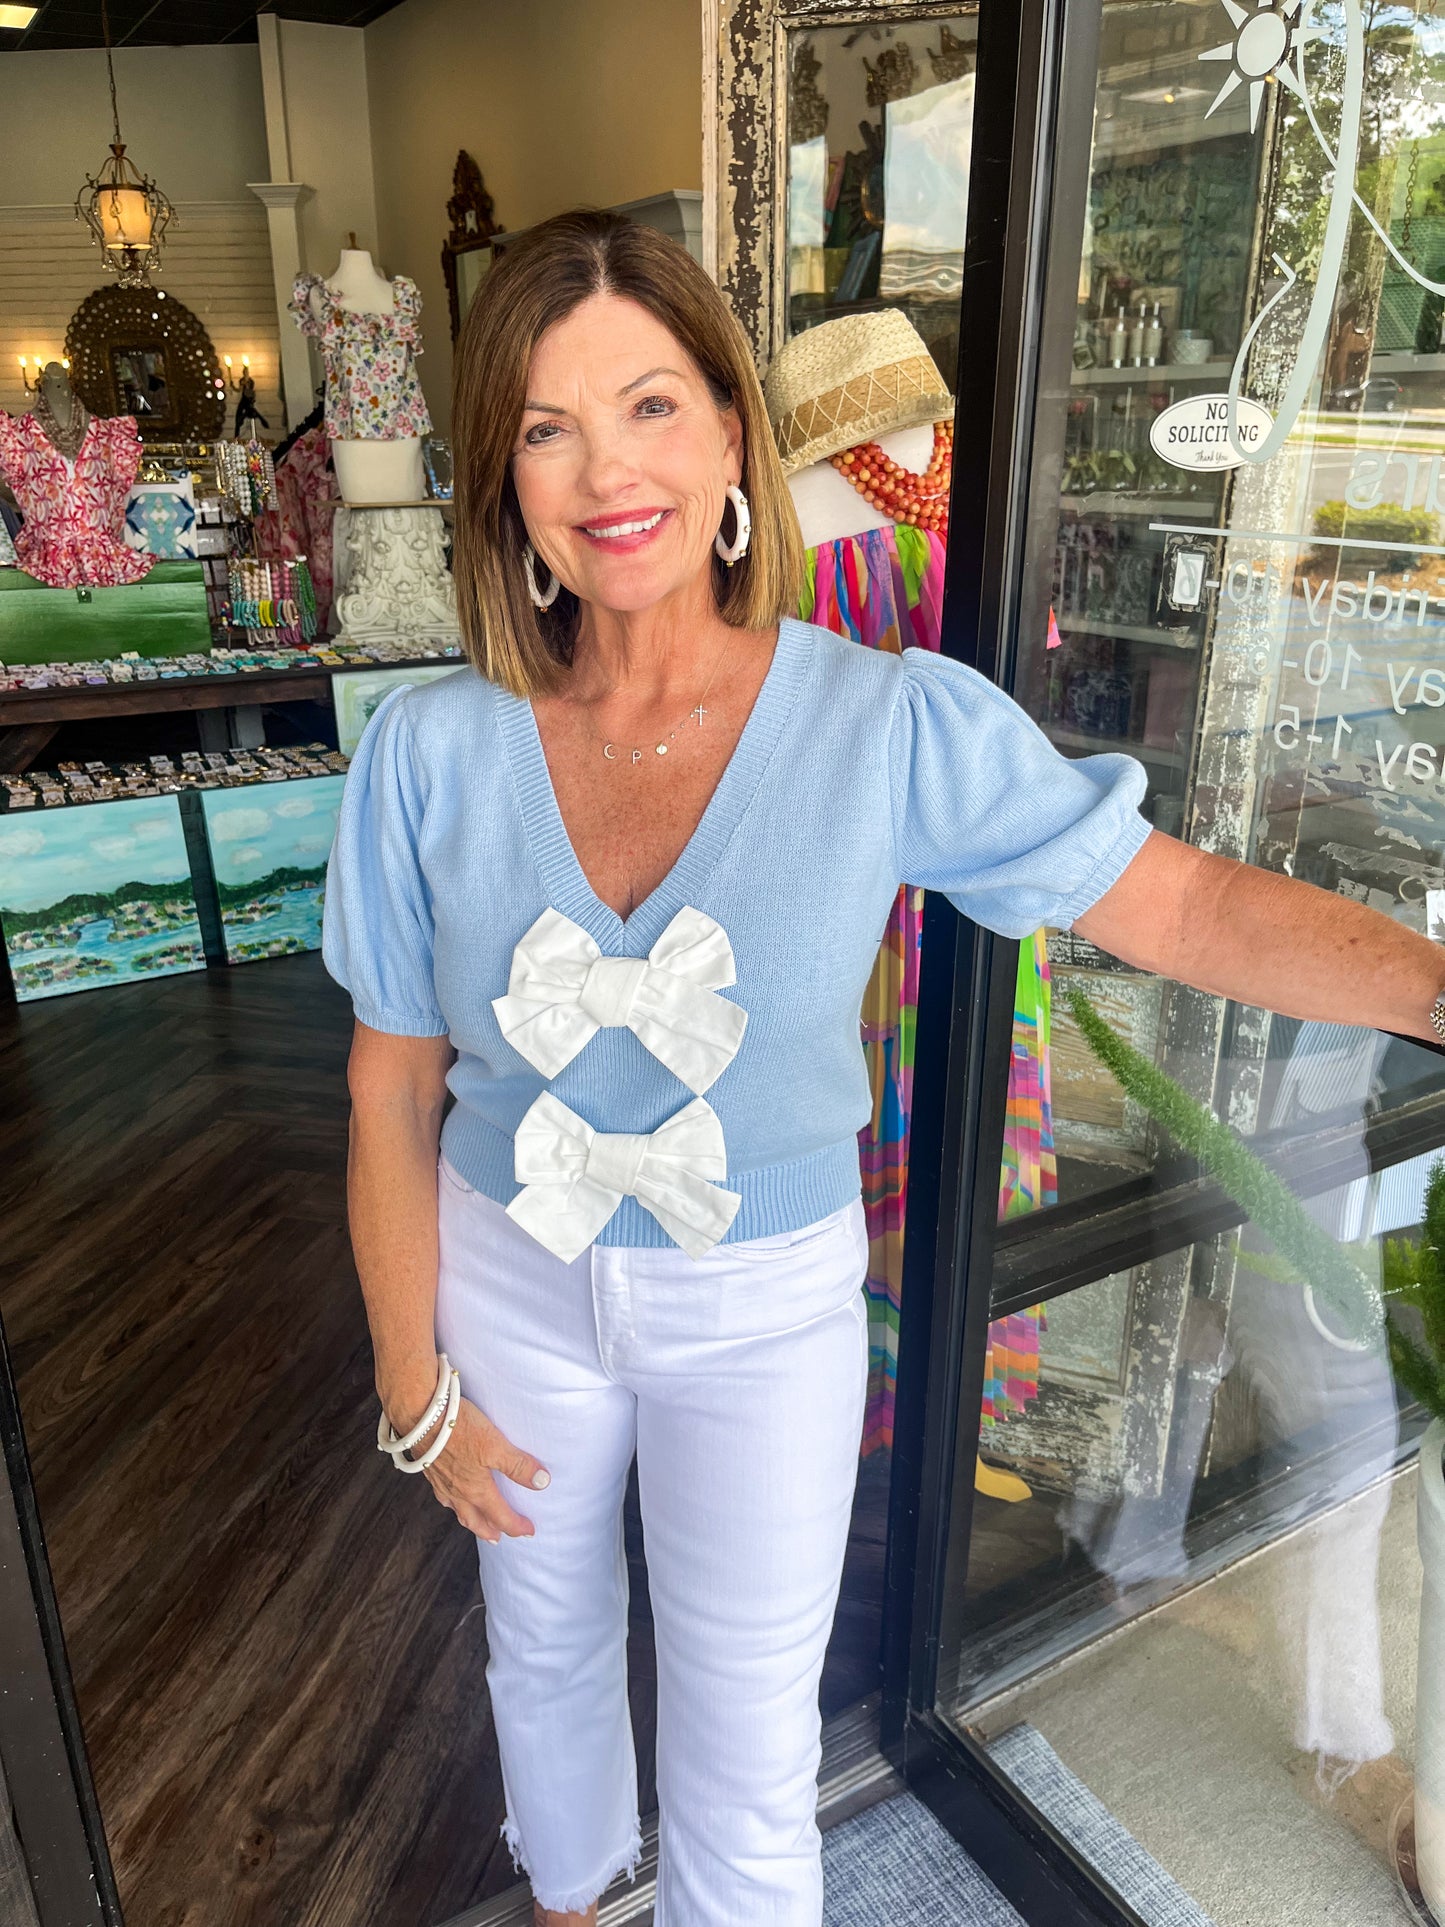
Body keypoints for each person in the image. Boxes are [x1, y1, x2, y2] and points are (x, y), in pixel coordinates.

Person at [320, 208, 1445, 1927]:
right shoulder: (427, 753)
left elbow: (1191, 905)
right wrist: (416, 1382)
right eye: (545, 426)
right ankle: (562, 1906)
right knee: (537, 1647)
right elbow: (390, 1089)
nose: (603, 468)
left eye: (648, 406)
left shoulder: (884, 719)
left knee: (745, 1736)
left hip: (759, 1309)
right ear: (500, 476)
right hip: (508, 1286)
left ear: (726, 436)